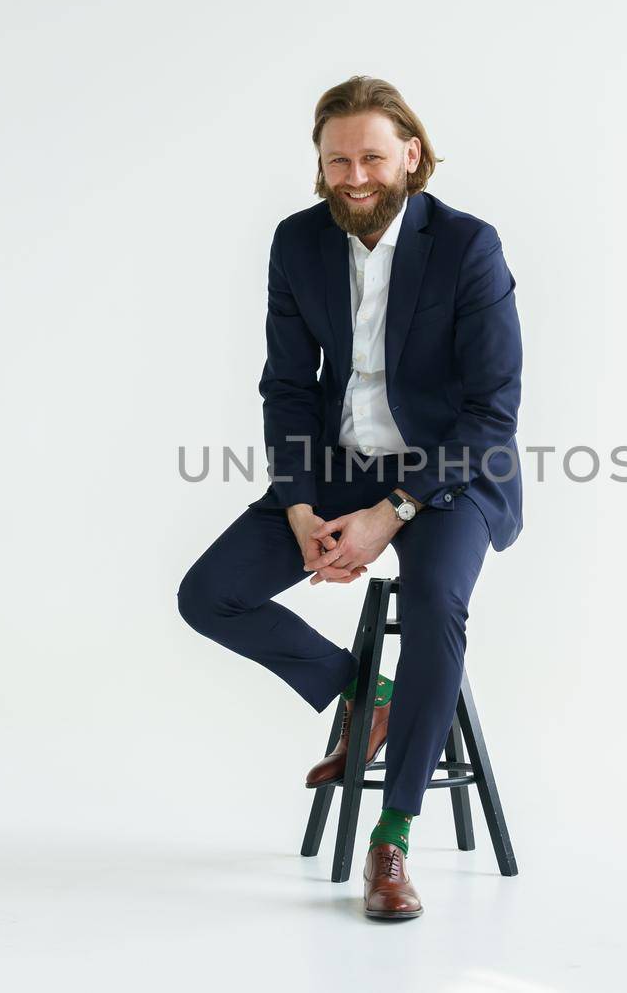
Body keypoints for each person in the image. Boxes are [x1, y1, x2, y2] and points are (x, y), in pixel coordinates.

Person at [177, 74, 523, 920]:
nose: (356, 176)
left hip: (450, 474)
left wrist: (391, 511)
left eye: (372, 156)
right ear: (320, 167)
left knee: (436, 602)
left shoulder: (468, 247)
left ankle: (393, 836)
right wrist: (298, 503)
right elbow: (289, 386)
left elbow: (492, 412)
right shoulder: (298, 244)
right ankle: (365, 696)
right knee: (207, 594)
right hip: (336, 464)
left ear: (411, 153)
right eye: (338, 161)